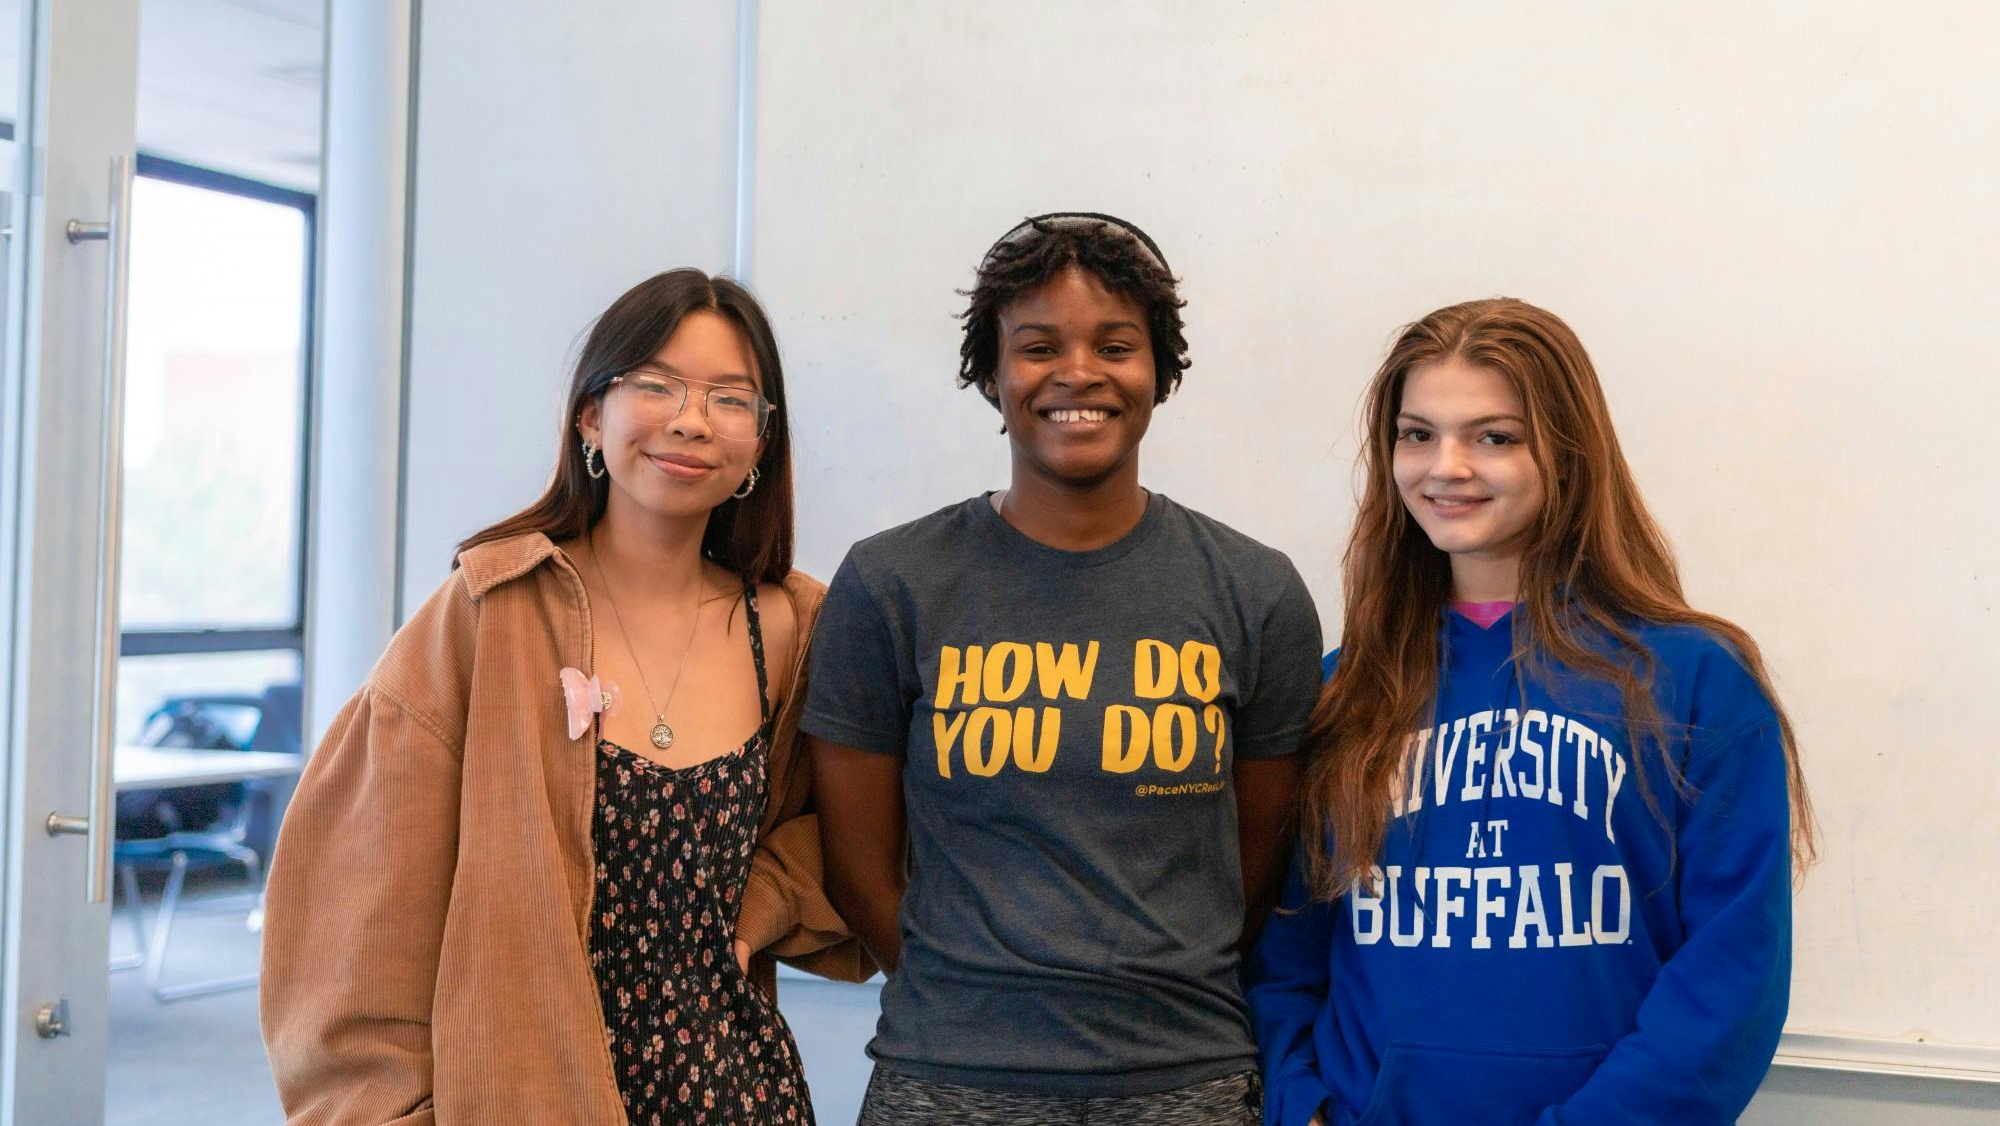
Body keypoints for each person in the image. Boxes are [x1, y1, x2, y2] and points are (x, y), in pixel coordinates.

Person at [262, 270, 866, 1126]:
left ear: (761, 442)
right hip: (526, 1086)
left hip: (739, 1089)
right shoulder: (491, 611)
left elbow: (864, 829)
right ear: (591, 414)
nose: (691, 419)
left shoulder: (796, 627)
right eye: (655, 385)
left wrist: (766, 896)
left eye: (731, 399)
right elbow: (355, 909)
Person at [805, 212, 1325, 1125]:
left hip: (1185, 1078)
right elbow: (858, 869)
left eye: (1115, 345)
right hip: (948, 1076)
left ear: (1159, 371)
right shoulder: (892, 582)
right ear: (991, 373)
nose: (1077, 372)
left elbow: (1254, 871)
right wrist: (976, 1006)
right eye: (1038, 346)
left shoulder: (1256, 590)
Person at [1249, 297, 1816, 1126]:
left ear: (1568, 452)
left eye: (1494, 436)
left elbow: (1733, 972)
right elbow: (1284, 950)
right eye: (1417, 433)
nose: (1446, 466)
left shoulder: (1695, 679)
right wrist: (1304, 1108)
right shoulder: (1349, 687)